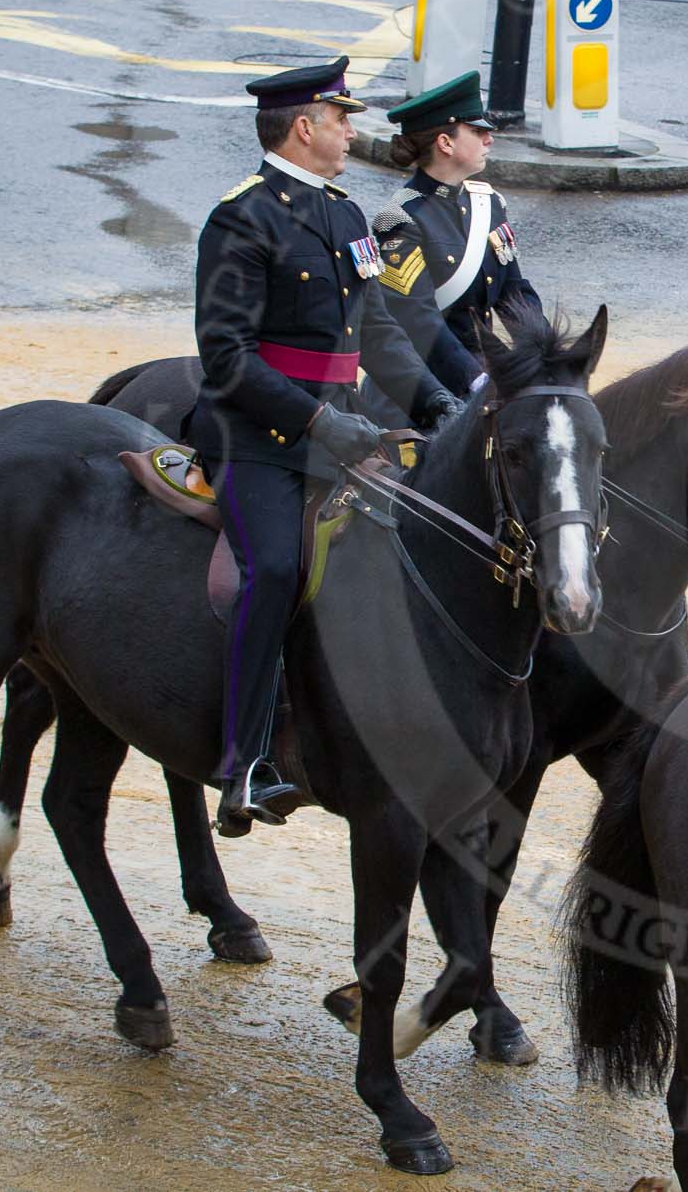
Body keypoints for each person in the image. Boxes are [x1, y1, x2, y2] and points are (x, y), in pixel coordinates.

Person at [190, 57, 456, 836]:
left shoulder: (344, 215)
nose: (351, 131)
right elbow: (226, 357)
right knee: (274, 567)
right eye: (342, 119)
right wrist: (315, 422)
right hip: (259, 435)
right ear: (305, 127)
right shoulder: (240, 218)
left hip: (345, 427)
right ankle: (244, 761)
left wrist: (434, 398)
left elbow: (377, 331)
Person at [367, 71, 545, 409]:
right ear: (445, 143)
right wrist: (474, 381)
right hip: (421, 390)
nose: (489, 140)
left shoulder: (489, 204)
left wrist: (545, 360)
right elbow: (418, 321)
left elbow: (514, 293)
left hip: (485, 378)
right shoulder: (400, 218)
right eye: (477, 132)